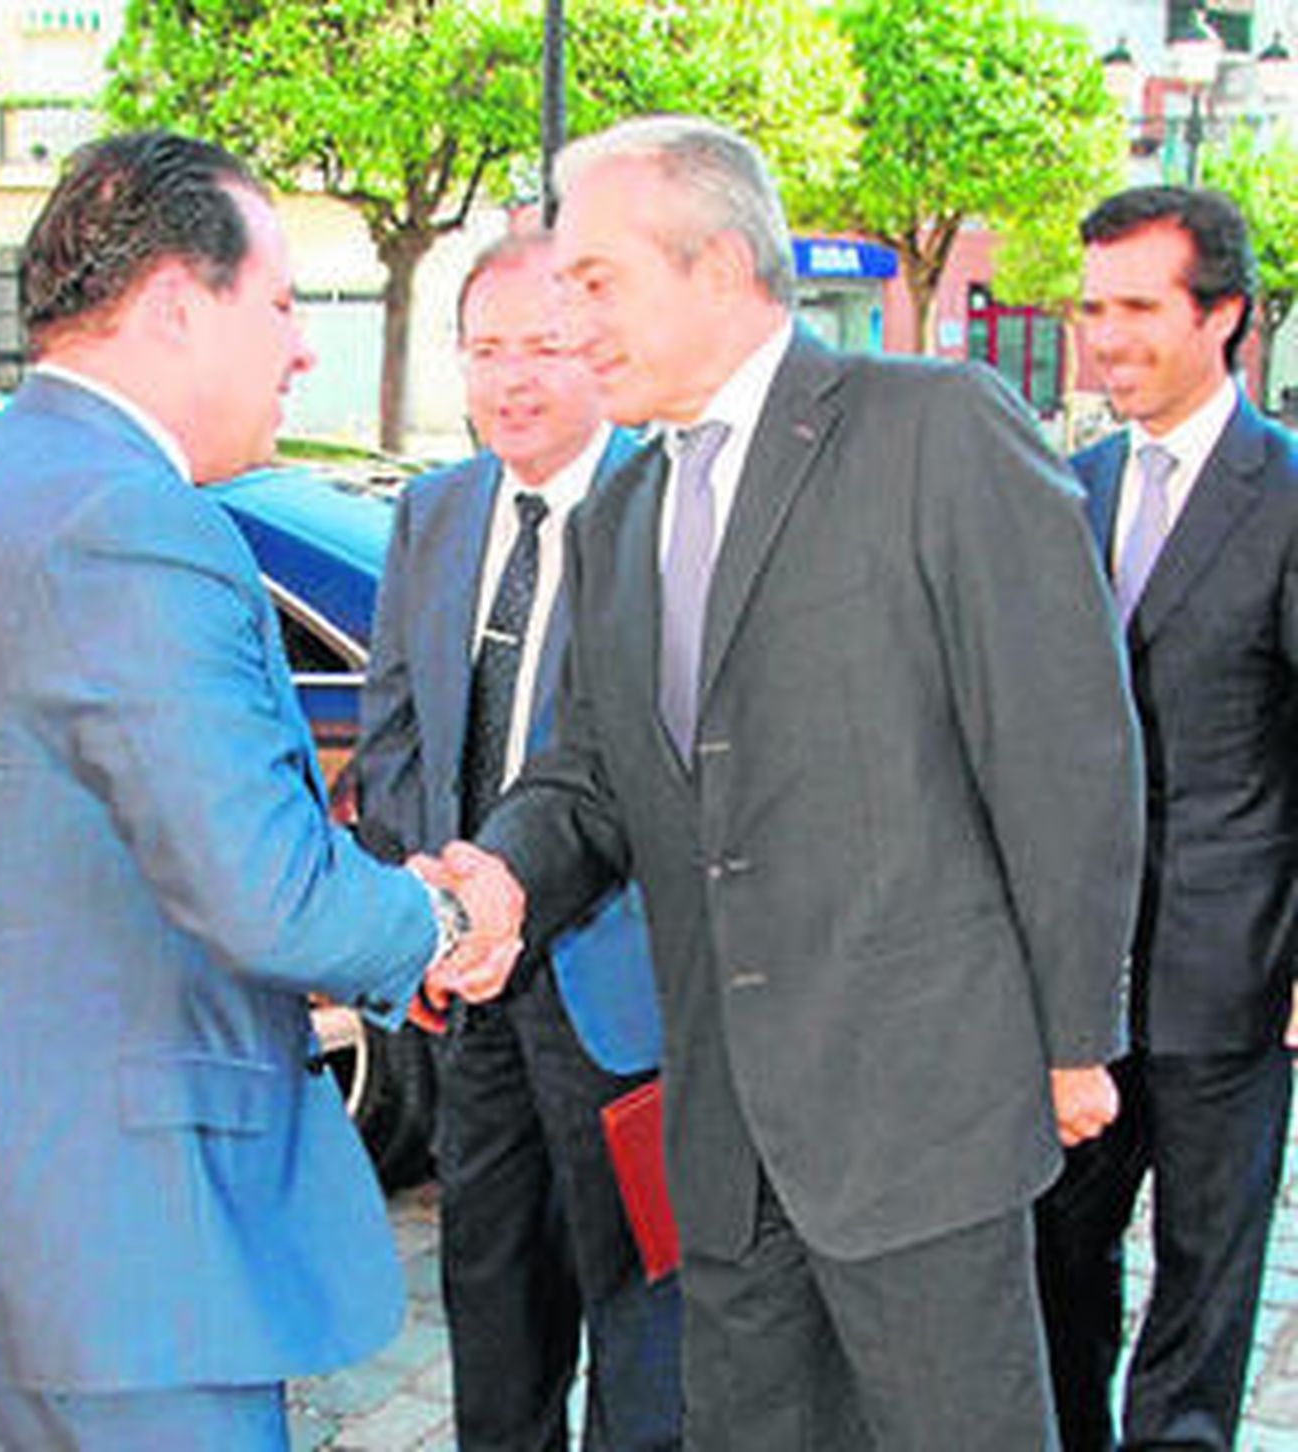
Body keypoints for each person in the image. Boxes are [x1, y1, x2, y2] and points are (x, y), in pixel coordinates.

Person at [0, 130, 520, 1452]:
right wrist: (444, 924)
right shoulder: (132, 523)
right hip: (116, 1259)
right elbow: (263, 892)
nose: (301, 350)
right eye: (282, 306)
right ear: (176, 307)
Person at [455, 116, 1145, 1449]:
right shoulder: (618, 518)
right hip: (722, 1140)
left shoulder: (933, 431)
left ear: (716, 269)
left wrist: (1076, 1036)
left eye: (596, 279)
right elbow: (595, 774)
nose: (567, 314)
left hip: (921, 1122)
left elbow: (1066, 745)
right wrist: (502, 871)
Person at [353, 232, 681, 1451]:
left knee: (645, 1313)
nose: (512, 379)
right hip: (468, 1004)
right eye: (486, 350)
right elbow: (391, 734)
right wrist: (421, 916)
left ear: (598, 349)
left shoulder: (664, 508)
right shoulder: (433, 512)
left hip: (622, 991)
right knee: (490, 1302)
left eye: (542, 347)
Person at [1035, 185, 1298, 1452]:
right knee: (1052, 1270)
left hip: (1227, 978)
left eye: (1138, 307)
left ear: (1224, 315)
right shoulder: (1057, 488)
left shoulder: (1288, 492)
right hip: (1067, 991)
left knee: (1202, 1298)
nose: (1106, 337)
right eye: (1091, 308)